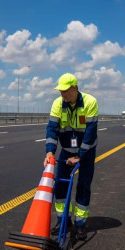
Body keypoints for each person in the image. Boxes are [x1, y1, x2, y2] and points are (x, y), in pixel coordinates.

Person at [44, 73, 98, 240]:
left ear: (75, 88)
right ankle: (63, 221)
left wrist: (80, 156)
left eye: (66, 91)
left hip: (86, 152)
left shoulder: (90, 102)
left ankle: (80, 224)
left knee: (83, 185)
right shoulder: (58, 104)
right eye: (60, 91)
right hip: (67, 150)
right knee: (60, 184)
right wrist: (50, 151)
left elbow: (90, 133)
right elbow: (52, 128)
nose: (63, 94)